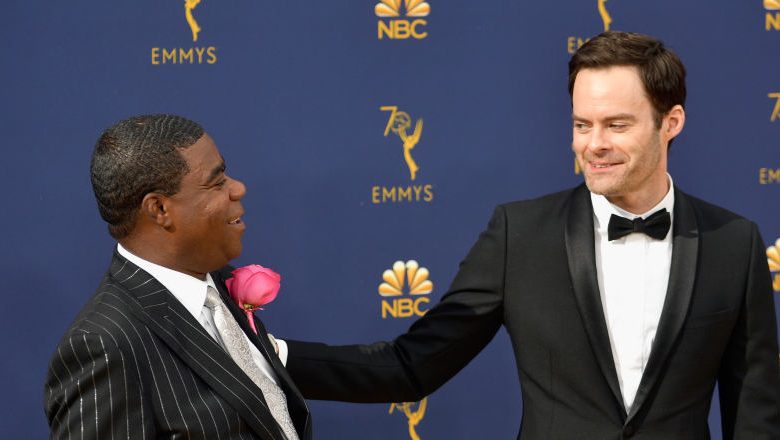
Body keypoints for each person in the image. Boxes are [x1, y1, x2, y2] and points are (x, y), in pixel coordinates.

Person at [283, 32, 780, 439]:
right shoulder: (519, 236)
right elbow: (410, 367)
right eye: (582, 125)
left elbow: (754, 413)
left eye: (616, 125)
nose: (594, 144)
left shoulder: (733, 243)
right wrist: (264, 356)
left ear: (670, 123)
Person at [44, 114, 310, 439]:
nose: (238, 188)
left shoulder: (218, 283)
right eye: (216, 182)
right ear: (159, 209)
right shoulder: (104, 346)